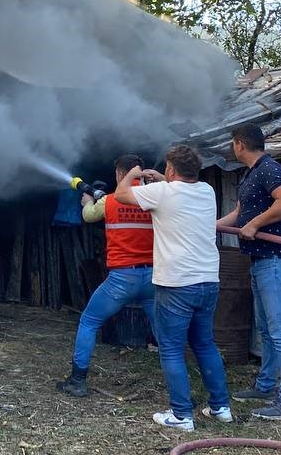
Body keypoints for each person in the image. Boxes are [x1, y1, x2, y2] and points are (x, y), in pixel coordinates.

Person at [115, 145, 230, 432]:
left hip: (176, 284)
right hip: (208, 282)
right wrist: (163, 179)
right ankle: (221, 407)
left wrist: (134, 174)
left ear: (170, 169)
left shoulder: (162, 193)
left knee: (171, 349)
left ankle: (181, 415)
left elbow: (120, 194)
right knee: (205, 344)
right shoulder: (206, 191)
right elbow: (179, 191)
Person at [215, 123, 281, 421]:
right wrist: (213, 226)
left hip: (277, 260)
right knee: (266, 330)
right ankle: (266, 386)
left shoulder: (269, 169)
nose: (232, 149)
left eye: (232, 144)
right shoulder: (252, 174)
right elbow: (240, 214)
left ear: (240, 144)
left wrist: (255, 225)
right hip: (261, 261)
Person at [55, 155, 154, 398]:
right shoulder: (155, 199)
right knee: (165, 333)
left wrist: (88, 200)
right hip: (153, 277)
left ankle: (77, 381)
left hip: (122, 279)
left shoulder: (109, 201)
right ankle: (181, 391)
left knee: (89, 321)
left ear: (120, 175)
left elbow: (88, 216)